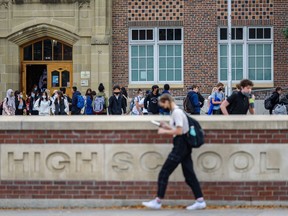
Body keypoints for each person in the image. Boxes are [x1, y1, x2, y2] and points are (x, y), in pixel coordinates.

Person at [142, 94, 206, 210]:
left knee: (164, 172)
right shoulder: (176, 112)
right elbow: (177, 129)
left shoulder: (176, 113)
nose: (162, 107)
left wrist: (163, 131)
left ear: (167, 101)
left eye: (162, 105)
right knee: (189, 175)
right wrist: (166, 126)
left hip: (180, 146)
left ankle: (158, 201)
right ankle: (200, 200)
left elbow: (180, 131)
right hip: (184, 146)